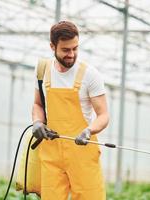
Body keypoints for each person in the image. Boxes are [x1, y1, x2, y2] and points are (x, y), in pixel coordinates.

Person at [32, 20, 109, 200]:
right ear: (52, 46)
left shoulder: (90, 74)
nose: (72, 54)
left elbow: (103, 115)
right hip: (52, 151)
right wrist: (37, 122)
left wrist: (89, 130)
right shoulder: (42, 70)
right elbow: (38, 104)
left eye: (75, 48)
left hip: (81, 151)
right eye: (66, 50)